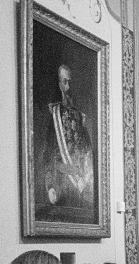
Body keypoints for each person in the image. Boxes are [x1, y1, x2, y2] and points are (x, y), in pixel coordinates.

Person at [36, 64, 95, 213]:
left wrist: (86, 180)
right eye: (64, 82)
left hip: (79, 186)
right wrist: (50, 185)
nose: (68, 86)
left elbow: (87, 152)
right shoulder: (53, 115)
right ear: (58, 84)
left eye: (70, 82)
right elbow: (47, 154)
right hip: (60, 183)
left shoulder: (80, 116)